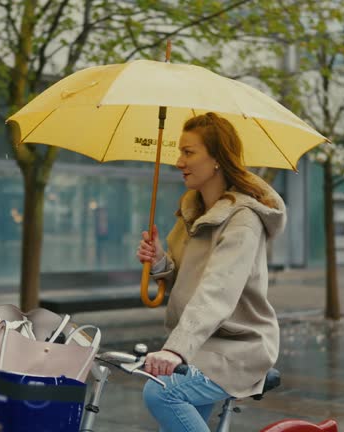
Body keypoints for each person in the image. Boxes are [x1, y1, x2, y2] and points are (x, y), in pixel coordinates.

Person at [136, 112, 286, 431]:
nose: (179, 161)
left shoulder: (243, 219)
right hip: (202, 345)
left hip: (237, 347)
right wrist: (161, 261)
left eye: (189, 152)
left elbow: (217, 292)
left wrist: (175, 350)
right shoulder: (193, 212)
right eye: (179, 152)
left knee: (162, 393)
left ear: (217, 159)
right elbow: (186, 280)